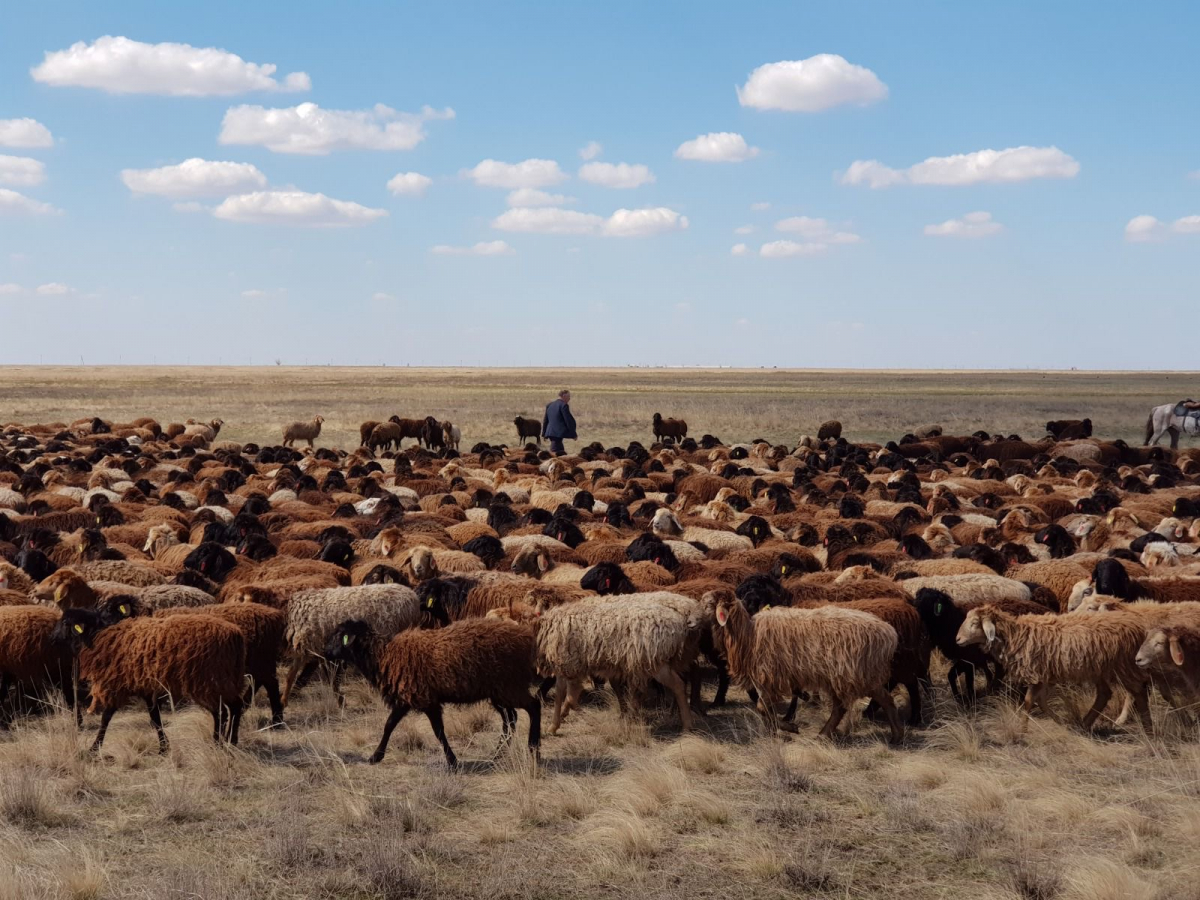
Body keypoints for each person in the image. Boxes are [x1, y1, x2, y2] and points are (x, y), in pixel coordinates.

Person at [542, 389, 577, 457]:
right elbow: (568, 420)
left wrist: (544, 433)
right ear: (564, 396)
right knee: (554, 452)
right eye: (568, 396)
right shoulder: (564, 405)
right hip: (557, 433)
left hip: (551, 432)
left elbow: (545, 420)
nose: (569, 398)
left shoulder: (550, 405)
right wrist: (574, 434)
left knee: (561, 452)